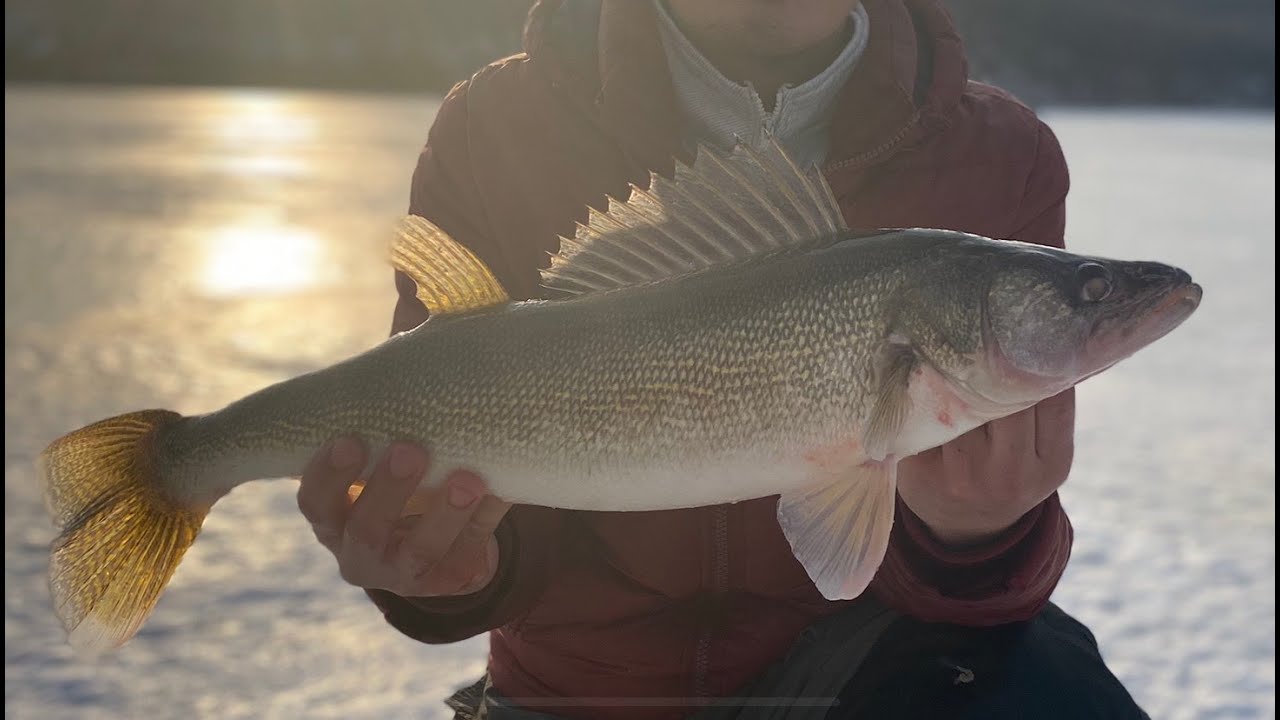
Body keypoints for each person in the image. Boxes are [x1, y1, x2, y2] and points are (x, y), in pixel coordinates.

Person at [295, 1, 1149, 717]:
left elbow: (970, 594)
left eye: (1089, 291)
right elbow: (443, 441)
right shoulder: (492, 127)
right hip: (581, 696)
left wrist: (980, 538)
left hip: (876, 679)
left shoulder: (1005, 155)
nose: (1101, 303)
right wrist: (445, 571)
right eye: (1091, 292)